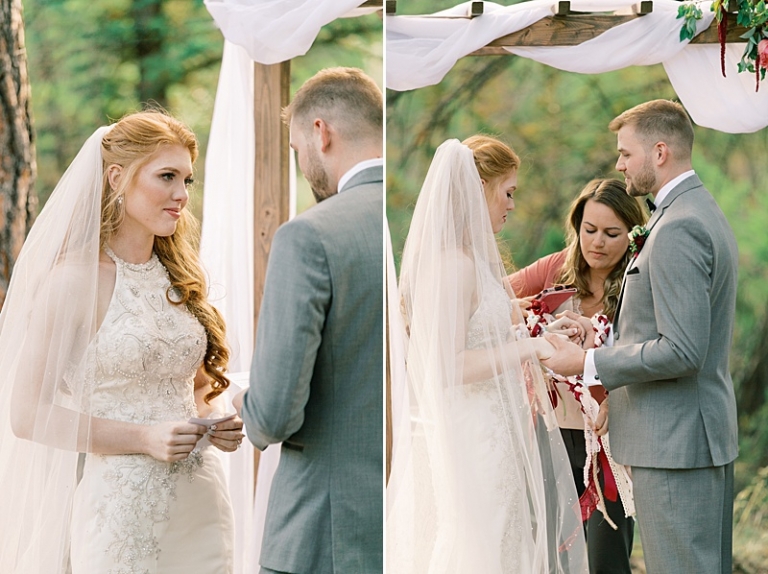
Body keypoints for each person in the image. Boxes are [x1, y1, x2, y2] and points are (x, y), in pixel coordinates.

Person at [0, 110, 244, 573]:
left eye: (188, 180)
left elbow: (194, 390)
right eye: (167, 176)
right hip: (122, 512)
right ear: (117, 177)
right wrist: (145, 438)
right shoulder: (72, 281)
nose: (181, 196)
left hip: (202, 505)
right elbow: (27, 414)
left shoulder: (181, 280)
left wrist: (217, 418)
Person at [543, 100, 739, 574]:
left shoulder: (679, 227)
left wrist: (589, 364)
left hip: (676, 445)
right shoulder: (690, 210)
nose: (619, 164)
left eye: (626, 153)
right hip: (687, 437)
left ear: (659, 151)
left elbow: (682, 350)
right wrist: (603, 342)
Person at [387, 135, 589, 573]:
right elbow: (447, 365)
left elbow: (489, 333)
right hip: (473, 437)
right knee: (481, 546)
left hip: (498, 432)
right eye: (508, 191)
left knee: (503, 540)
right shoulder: (453, 266)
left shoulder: (474, 261)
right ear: (478, 187)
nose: (512, 204)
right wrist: (529, 347)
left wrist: (546, 331)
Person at [239, 67, 383, 574]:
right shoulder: (418, 216)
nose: (302, 165)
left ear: (321, 133)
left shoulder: (310, 236)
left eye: (297, 150)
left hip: (324, 531)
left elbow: (275, 413)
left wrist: (242, 401)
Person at [509, 178, 646, 574]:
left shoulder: (640, 281)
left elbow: (652, 353)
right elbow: (489, 299)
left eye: (611, 233)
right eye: (589, 230)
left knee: (607, 557)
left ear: (632, 234)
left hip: (609, 439)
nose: (597, 243)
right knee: (551, 553)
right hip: (548, 432)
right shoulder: (556, 267)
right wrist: (533, 317)